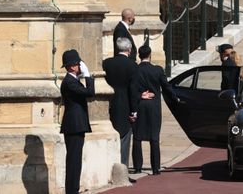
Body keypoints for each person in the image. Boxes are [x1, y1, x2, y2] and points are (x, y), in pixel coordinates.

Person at [131, 45, 180, 175]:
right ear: (150, 55)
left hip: (139, 104)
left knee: (137, 136)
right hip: (154, 106)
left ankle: (137, 167)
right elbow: (166, 86)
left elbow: (132, 89)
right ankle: (155, 167)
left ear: (139, 56)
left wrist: (140, 95)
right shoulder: (157, 70)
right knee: (154, 137)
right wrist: (175, 98)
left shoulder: (135, 70)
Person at [60, 49, 95, 194]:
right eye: (79, 64)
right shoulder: (69, 82)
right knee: (73, 162)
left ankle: (73, 190)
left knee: (76, 161)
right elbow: (90, 93)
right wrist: (87, 76)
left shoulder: (74, 81)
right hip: (73, 126)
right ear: (73, 66)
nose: (81, 67)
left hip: (77, 126)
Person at [102, 37, 138, 175]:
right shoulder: (132, 65)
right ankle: (122, 172)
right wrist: (134, 111)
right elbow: (133, 90)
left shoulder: (107, 63)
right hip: (125, 105)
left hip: (110, 103)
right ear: (129, 50)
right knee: (124, 139)